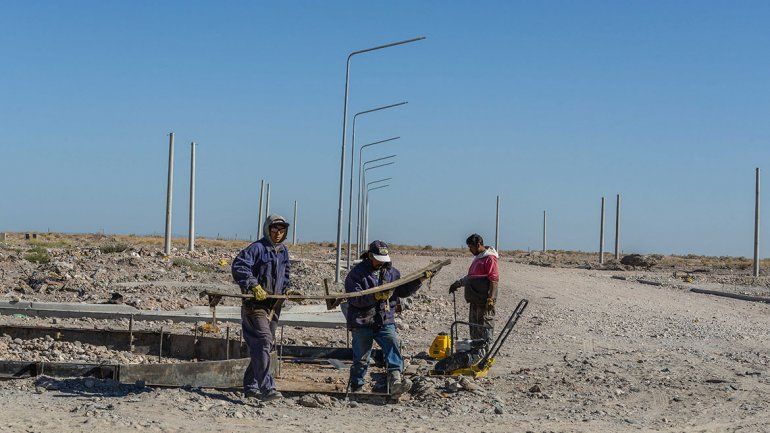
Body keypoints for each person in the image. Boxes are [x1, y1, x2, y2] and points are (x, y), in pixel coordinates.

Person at [344, 240, 428, 395]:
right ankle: (357, 387)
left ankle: (396, 381)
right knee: (362, 357)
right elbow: (354, 299)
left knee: (392, 347)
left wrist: (419, 281)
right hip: (362, 320)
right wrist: (375, 296)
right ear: (370, 256)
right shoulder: (356, 274)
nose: (381, 263)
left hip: (384, 319)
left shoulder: (392, 273)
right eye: (378, 259)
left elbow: (402, 291)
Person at [232, 214, 291, 401]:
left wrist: (288, 289)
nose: (278, 233)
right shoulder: (257, 248)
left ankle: (251, 386)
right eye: (275, 229)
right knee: (264, 341)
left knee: (262, 347)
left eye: (282, 230)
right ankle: (268, 389)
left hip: (273, 306)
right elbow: (240, 266)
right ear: (268, 229)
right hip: (255, 305)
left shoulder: (283, 251)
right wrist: (253, 285)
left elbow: (286, 273)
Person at [449, 233, 499, 346]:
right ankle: (475, 350)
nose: (470, 250)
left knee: (485, 325)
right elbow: (471, 277)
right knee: (474, 326)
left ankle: (485, 351)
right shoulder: (478, 258)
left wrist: (491, 298)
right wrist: (458, 283)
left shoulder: (489, 258)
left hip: (484, 300)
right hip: (474, 299)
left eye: (471, 247)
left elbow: (494, 280)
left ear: (478, 244)